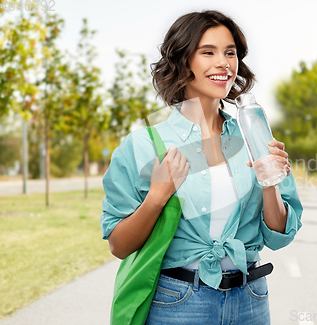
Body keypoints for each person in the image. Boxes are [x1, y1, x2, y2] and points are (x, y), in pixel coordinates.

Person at [100, 10, 303, 325]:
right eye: (208, 52)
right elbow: (119, 245)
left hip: (250, 300)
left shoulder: (256, 136)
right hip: (178, 303)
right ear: (183, 61)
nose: (223, 62)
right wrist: (157, 196)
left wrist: (270, 183)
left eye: (230, 53)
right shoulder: (142, 146)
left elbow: (279, 237)